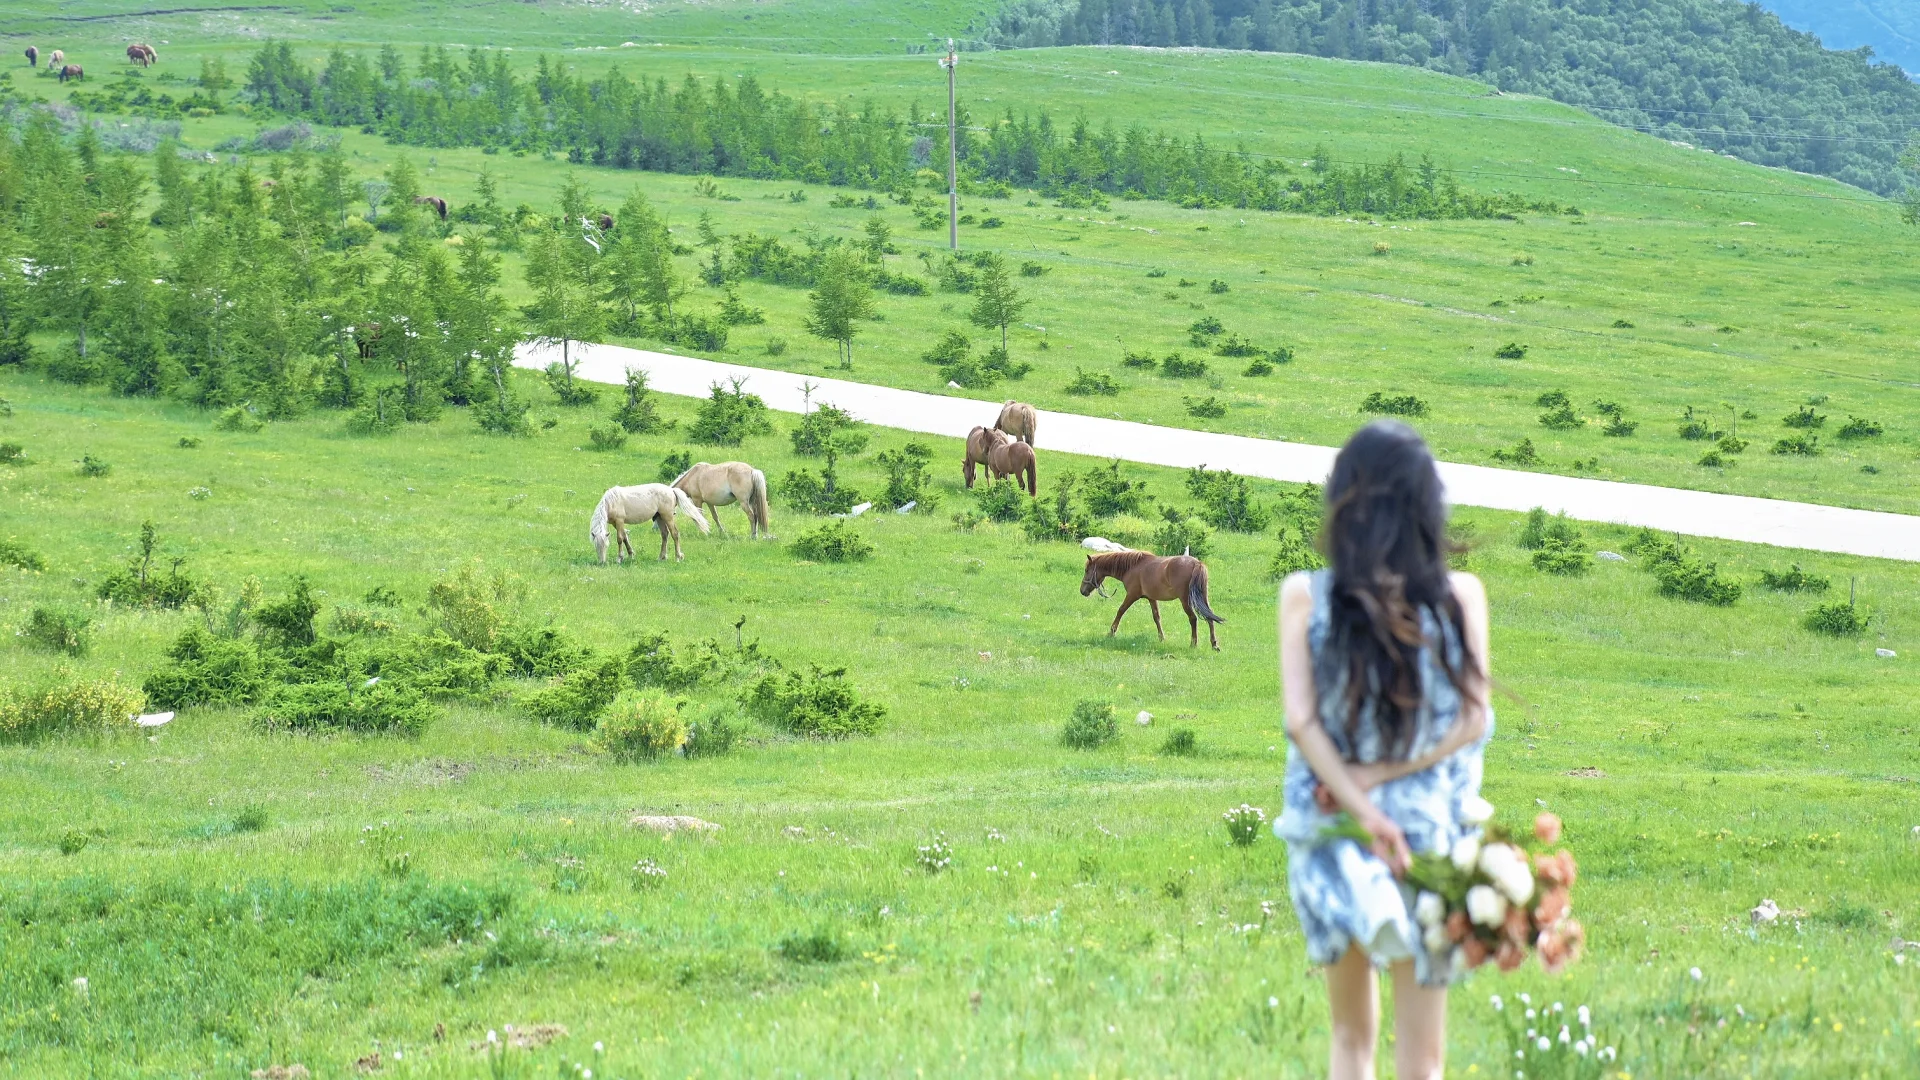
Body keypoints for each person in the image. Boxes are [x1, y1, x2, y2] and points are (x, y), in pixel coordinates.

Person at [1274, 419, 1493, 1080]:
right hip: (1427, 840)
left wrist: (1360, 799)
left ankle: (1368, 894)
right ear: (1428, 508)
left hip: (1334, 828)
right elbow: (1472, 720)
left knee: (1349, 1038)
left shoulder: (1305, 596)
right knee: (1422, 1060)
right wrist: (1387, 774)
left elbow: (1301, 725)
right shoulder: (1460, 598)